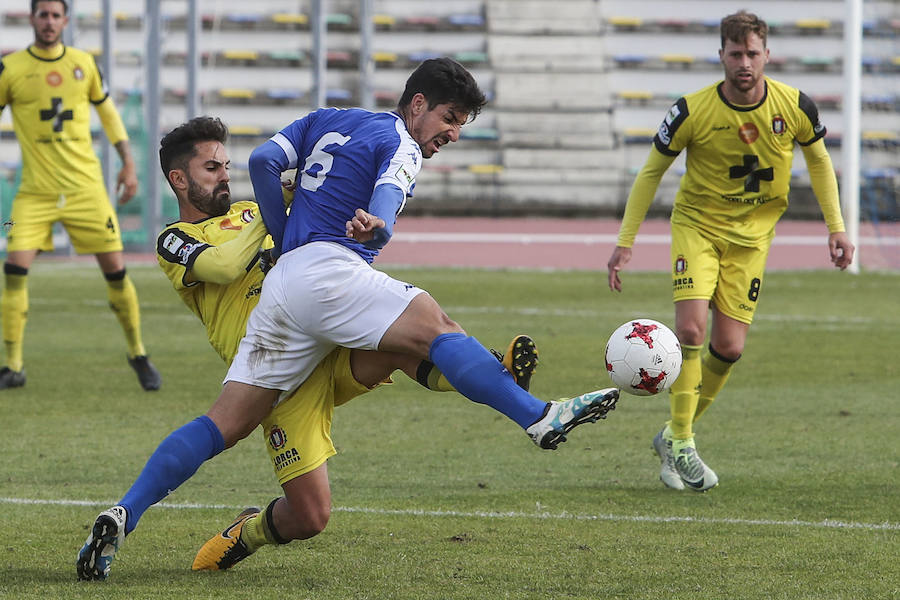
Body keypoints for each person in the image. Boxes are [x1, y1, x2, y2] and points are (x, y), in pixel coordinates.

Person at [76, 112, 612, 580]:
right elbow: (223, 265)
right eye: (210, 168)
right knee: (309, 515)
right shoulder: (175, 238)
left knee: (412, 339)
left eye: (225, 165)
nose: (224, 176)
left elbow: (314, 193)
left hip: (327, 338)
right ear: (178, 177)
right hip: (279, 367)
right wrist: (271, 214)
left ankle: (499, 379)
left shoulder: (248, 209)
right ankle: (176, 524)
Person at [606, 11, 854, 492]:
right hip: (697, 229)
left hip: (753, 240)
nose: (744, 62)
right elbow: (651, 172)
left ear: (767, 54)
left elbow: (820, 162)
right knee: (691, 328)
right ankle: (682, 443)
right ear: (720, 55)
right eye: (735, 53)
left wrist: (837, 227)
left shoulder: (795, 105)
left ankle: (676, 433)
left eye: (752, 53)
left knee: (730, 347)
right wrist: (625, 241)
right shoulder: (691, 111)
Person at [0, 0, 160, 390]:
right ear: (32, 17)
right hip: (34, 193)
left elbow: (108, 114)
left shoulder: (84, 63)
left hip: (85, 190)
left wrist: (128, 163)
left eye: (56, 15)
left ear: (65, 21)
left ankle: (138, 353)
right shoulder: (11, 69)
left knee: (115, 271)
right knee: (14, 270)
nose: (50, 21)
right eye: (43, 14)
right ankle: (14, 365)